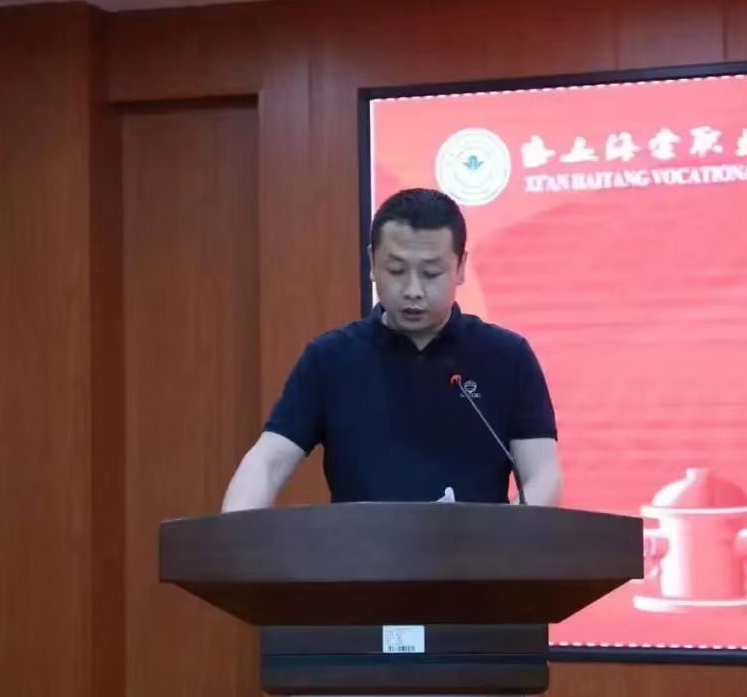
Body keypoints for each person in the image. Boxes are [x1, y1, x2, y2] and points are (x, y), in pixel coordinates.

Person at [221, 187, 562, 510]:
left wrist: (499, 539)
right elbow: (267, 462)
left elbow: (543, 475)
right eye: (396, 270)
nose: (413, 290)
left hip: (477, 552)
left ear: (460, 268)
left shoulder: (508, 357)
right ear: (372, 262)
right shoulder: (329, 359)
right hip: (360, 551)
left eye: (431, 273)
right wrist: (233, 533)